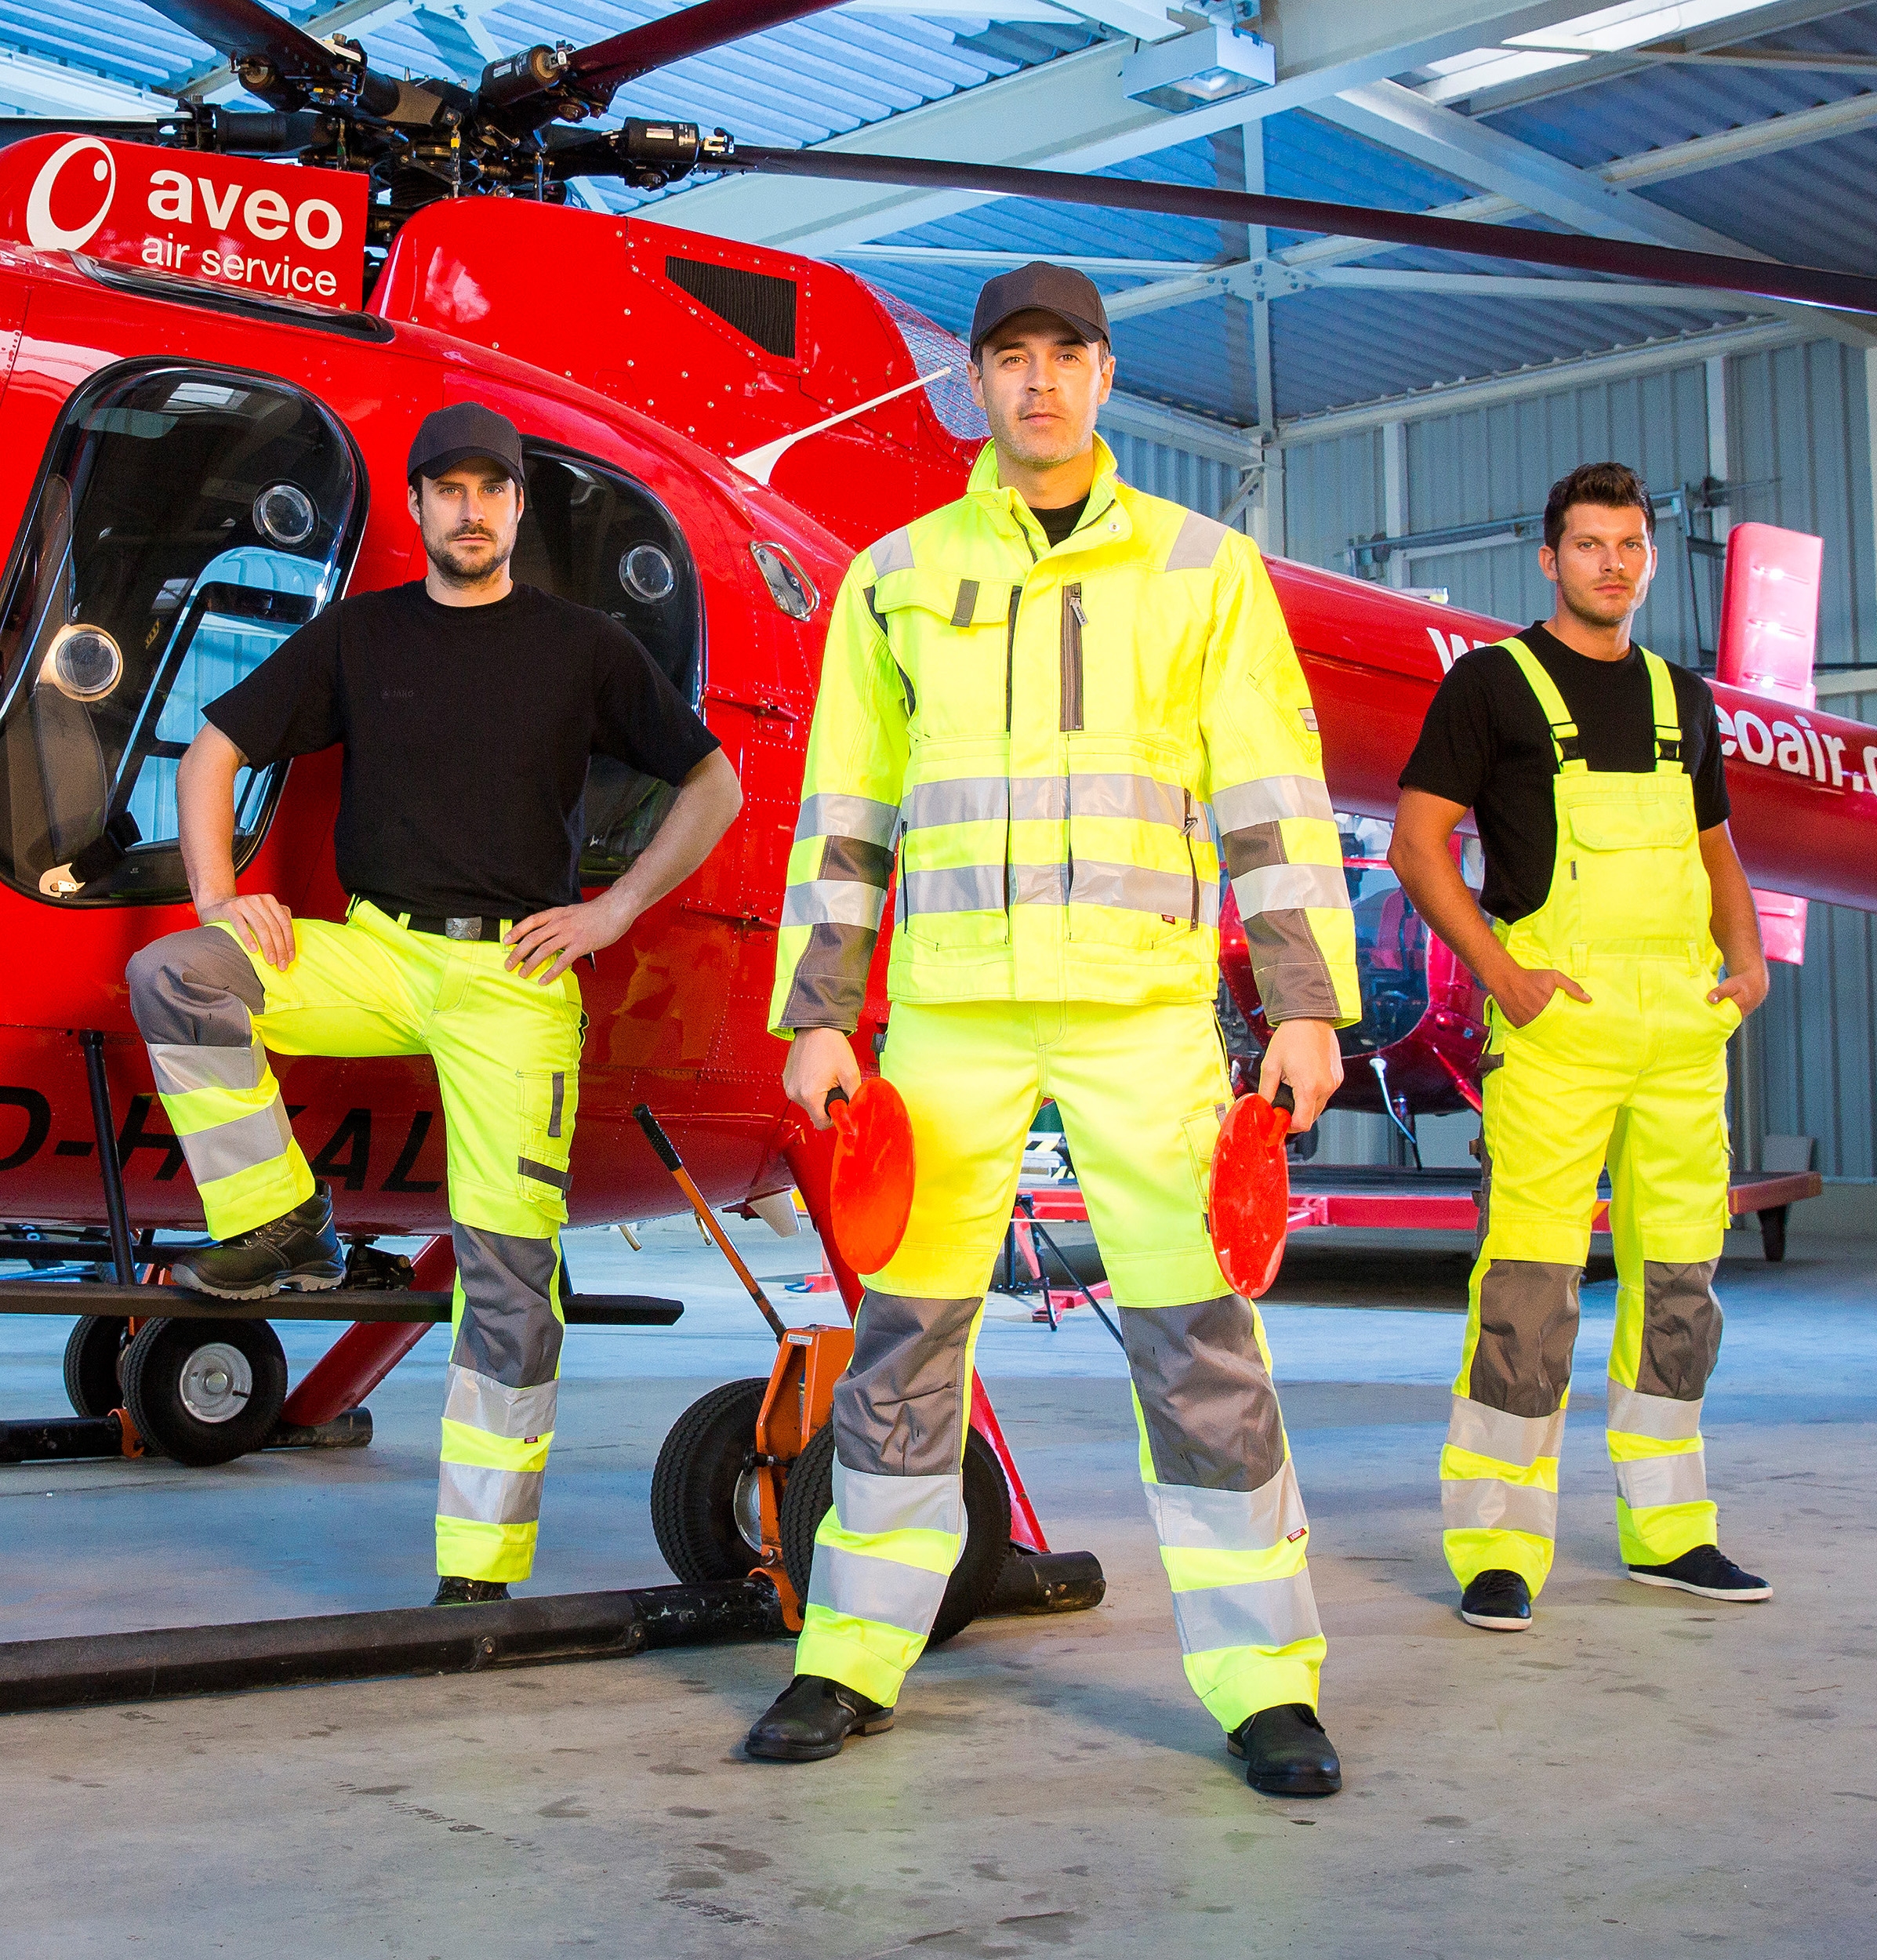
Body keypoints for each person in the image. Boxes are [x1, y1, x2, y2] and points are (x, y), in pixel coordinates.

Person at [746, 262, 1360, 1797]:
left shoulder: (1203, 571)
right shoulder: (890, 576)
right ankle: (852, 1650)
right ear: (971, 382)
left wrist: (1300, 1002)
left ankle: (1261, 1676)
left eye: (1063, 354)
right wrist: (817, 1015)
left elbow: (1273, 808)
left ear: (1103, 375)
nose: (1035, 381)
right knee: (903, 1334)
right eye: (1006, 356)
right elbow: (842, 819)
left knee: (1197, 1335)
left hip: (1142, 1014)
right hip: (948, 1017)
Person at [125, 402, 741, 1603]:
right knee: (176, 976)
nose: (471, 509)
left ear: (517, 507)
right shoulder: (361, 637)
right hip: (376, 952)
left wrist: (613, 915)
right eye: (447, 489)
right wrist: (217, 893)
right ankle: (275, 1219)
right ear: (416, 509)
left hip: (513, 984)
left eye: (492, 489)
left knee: (512, 1278)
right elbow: (211, 750)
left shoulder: (585, 648)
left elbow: (713, 780)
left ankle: (479, 1566)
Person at [1387, 461, 1773, 1634]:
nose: (1612, 562)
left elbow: (1718, 852)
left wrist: (1747, 964)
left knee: (1679, 1286)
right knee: (1530, 1290)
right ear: (1549, 560)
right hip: (1557, 1027)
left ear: (1649, 562)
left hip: (1680, 1032)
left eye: (1631, 546)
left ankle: (1670, 1531)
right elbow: (1416, 842)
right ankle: (1498, 1545)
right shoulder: (1492, 687)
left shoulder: (1680, 695)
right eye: (1589, 545)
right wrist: (1502, 975)